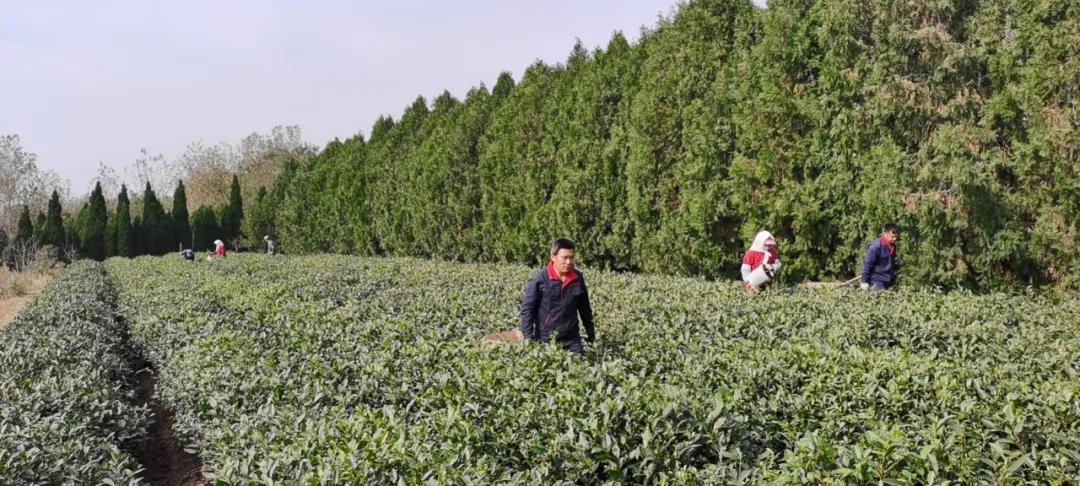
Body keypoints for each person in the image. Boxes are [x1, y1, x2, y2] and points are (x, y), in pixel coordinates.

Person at [520, 238, 596, 355]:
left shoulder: (577, 278)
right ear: (553, 256)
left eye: (571, 257)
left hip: (572, 339)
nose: (569, 262)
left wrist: (590, 332)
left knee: (579, 364)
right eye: (565, 257)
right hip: (546, 339)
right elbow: (528, 310)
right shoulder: (540, 279)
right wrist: (528, 339)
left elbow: (584, 308)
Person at [861, 223, 901, 291]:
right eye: (892, 236)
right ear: (885, 234)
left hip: (888, 280)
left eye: (896, 237)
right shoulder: (875, 247)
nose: (895, 239)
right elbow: (867, 264)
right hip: (876, 281)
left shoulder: (893, 246)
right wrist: (864, 281)